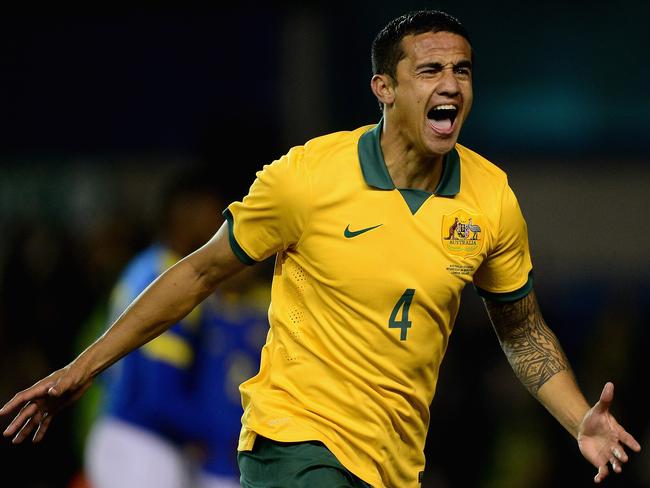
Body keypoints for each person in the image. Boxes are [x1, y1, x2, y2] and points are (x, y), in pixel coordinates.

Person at [0, 10, 641, 488]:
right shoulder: (308, 178)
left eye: (462, 70)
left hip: (394, 463)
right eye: (430, 70)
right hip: (293, 446)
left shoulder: (491, 199)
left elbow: (521, 330)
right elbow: (197, 274)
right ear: (384, 89)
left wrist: (578, 417)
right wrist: (79, 372)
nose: (451, 84)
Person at [79, 168, 248, 488]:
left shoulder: (144, 266)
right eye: (215, 212)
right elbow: (160, 395)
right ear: (187, 211)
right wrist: (226, 431)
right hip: (142, 443)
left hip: (121, 432)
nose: (220, 224)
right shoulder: (171, 281)